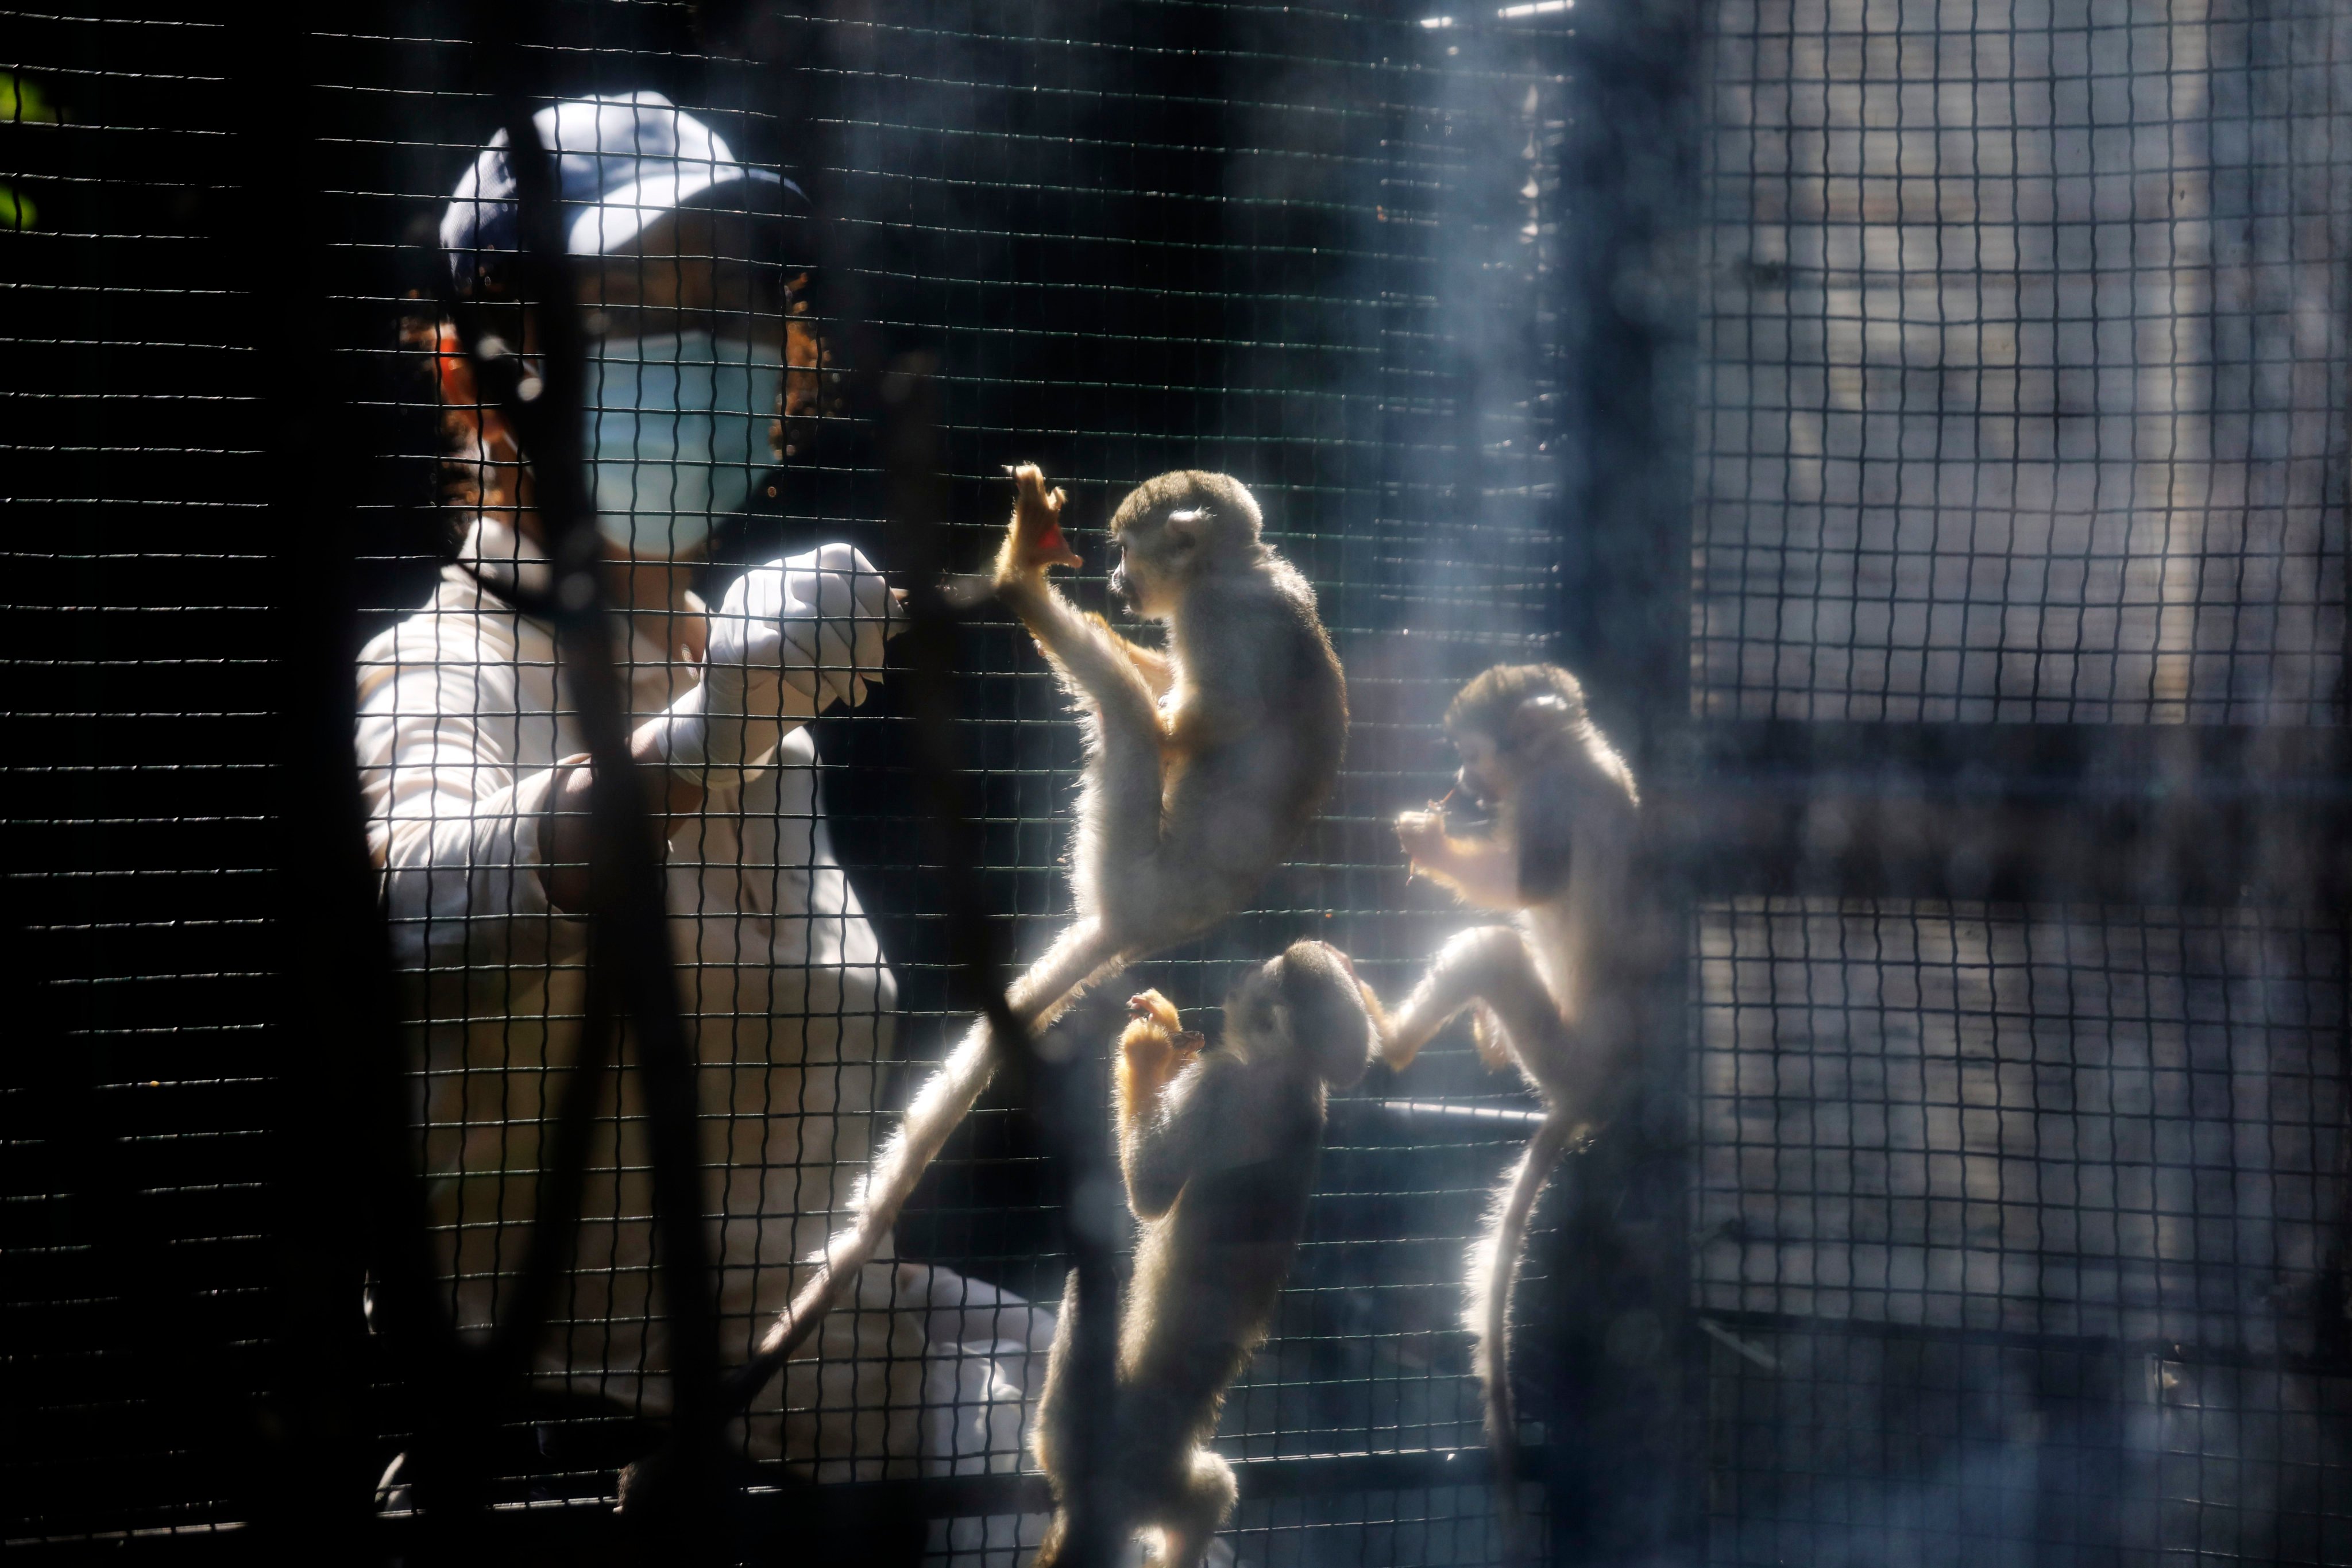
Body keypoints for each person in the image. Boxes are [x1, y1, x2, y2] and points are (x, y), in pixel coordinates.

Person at [357, 92, 1049, 1486]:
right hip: (538, 1456)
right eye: (628, 307)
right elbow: (420, 908)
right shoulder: (443, 668)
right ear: (473, 369)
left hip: (789, 1425)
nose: (703, 351)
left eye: (731, 303)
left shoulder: (770, 732)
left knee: (1116, 1420)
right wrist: (703, 733)